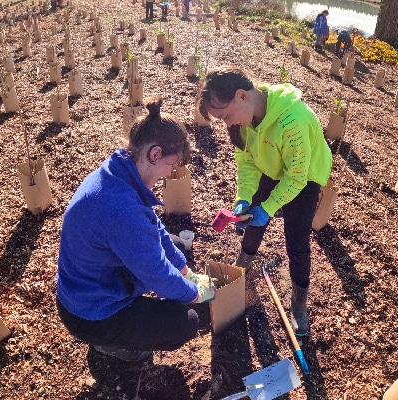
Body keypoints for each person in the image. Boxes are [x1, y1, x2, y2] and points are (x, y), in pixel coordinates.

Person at [56, 96, 215, 362]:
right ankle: (107, 342)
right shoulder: (121, 211)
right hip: (90, 312)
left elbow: (154, 229)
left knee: (174, 250)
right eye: (171, 165)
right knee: (185, 322)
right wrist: (195, 293)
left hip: (87, 286)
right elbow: (157, 274)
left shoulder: (118, 173)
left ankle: (120, 328)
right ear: (154, 154)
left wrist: (186, 270)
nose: (170, 173)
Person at [197, 66, 333, 337]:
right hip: (271, 166)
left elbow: (295, 178)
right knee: (253, 221)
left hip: (304, 178)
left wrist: (269, 207)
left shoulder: (292, 121)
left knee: (297, 241)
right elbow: (247, 162)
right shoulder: (245, 122)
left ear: (242, 96)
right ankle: (242, 266)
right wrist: (244, 197)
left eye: (225, 116)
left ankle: (298, 304)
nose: (227, 124)